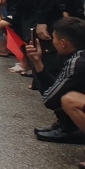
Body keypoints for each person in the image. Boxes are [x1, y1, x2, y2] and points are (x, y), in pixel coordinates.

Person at [26, 17, 85, 147]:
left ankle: (72, 130)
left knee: (69, 100)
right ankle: (68, 127)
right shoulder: (77, 54)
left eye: (54, 39)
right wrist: (37, 62)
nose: (53, 43)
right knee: (68, 91)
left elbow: (50, 99)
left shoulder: (78, 61)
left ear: (63, 43)